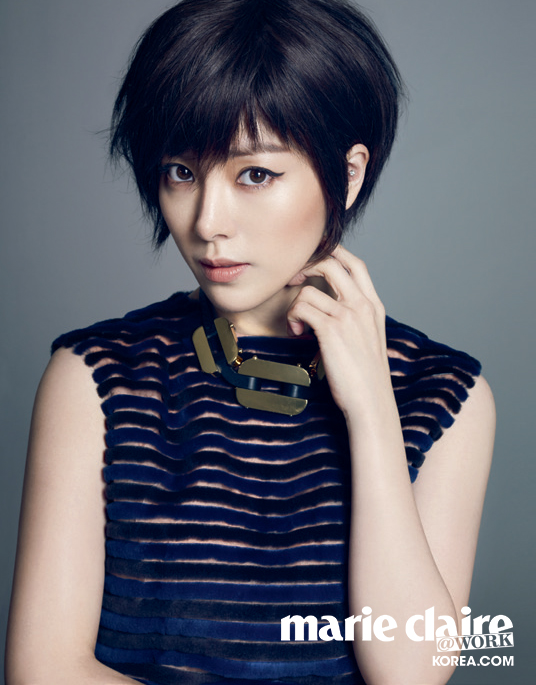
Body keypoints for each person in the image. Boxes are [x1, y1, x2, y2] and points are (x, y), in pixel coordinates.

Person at [5, 0, 495, 684]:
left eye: (255, 174)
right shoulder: (97, 377)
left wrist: (373, 415)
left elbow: (412, 671)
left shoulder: (445, 394)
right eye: (181, 171)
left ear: (349, 173)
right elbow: (44, 669)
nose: (208, 221)